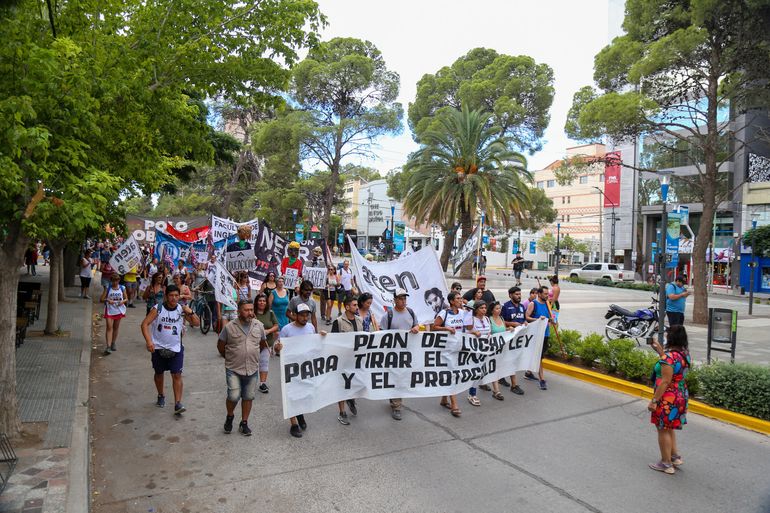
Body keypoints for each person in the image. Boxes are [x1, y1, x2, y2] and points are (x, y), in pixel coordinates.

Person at [140, 284, 199, 415]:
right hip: (158, 348)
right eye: (171, 295)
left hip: (176, 348)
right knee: (159, 373)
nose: (174, 298)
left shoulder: (181, 309)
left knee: (176, 375)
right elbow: (144, 324)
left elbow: (196, 323)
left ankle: (178, 403)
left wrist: (190, 311)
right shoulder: (158, 309)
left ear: (179, 296)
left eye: (176, 296)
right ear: (166, 296)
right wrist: (149, 341)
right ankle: (161, 395)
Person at [217, 299, 267, 436]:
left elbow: (262, 344)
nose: (250, 312)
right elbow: (220, 346)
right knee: (233, 396)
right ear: (238, 311)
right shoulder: (229, 327)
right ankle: (230, 415)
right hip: (233, 368)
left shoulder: (259, 326)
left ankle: (244, 423)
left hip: (252, 368)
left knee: (248, 396)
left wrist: (252, 355)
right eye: (246, 310)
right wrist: (232, 357)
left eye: (251, 309)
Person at [279, 303, 327, 438]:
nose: (305, 317)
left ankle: (300, 414)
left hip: (306, 368)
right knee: (291, 395)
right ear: (295, 315)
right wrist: (278, 348)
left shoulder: (311, 327)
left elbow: (315, 344)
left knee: (304, 393)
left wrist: (322, 337)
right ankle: (294, 424)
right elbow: (276, 348)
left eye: (307, 315)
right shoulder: (287, 330)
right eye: (302, 315)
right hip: (291, 368)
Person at [647, 325, 690, 474]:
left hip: (668, 397)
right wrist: (661, 352)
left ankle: (666, 464)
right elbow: (673, 366)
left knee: (662, 428)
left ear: (671, 338)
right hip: (681, 395)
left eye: (667, 335)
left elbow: (665, 381)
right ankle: (674, 456)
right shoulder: (684, 354)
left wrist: (654, 400)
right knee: (669, 427)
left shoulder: (668, 357)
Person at [379, 288, 420, 421]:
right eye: (400, 298)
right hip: (392, 353)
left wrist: (416, 328)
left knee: (401, 377)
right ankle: (397, 406)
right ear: (395, 300)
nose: (403, 301)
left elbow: (417, 325)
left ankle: (394, 398)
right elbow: (381, 333)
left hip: (407, 353)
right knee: (396, 377)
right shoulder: (388, 315)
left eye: (405, 298)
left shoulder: (411, 312)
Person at [431, 291, 469, 417]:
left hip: (458, 349)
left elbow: (469, 327)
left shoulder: (463, 313)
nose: (460, 300)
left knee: (451, 374)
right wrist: (445, 328)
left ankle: (444, 399)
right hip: (446, 350)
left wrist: (469, 313)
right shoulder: (444, 313)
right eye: (458, 298)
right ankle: (454, 404)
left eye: (461, 298)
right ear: (452, 301)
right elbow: (434, 327)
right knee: (452, 374)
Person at [331, 296, 362, 425]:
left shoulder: (359, 320)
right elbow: (332, 341)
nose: (357, 307)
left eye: (357, 305)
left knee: (354, 383)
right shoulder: (338, 322)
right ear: (347, 307)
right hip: (343, 360)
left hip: (356, 360)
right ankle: (342, 412)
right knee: (342, 386)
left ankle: (351, 399)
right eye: (354, 305)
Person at [468, 301, 504, 403]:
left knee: (487, 370)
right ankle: (472, 394)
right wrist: (474, 332)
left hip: (486, 350)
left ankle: (495, 390)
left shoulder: (487, 319)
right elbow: (466, 332)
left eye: (485, 308)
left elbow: (490, 332)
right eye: (481, 308)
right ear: (476, 309)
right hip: (475, 351)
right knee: (475, 372)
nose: (484, 310)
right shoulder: (472, 320)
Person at [525, 286, 555, 390]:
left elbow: (550, 319)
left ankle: (528, 372)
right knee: (539, 357)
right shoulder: (533, 304)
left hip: (545, 334)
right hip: (536, 335)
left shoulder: (547, 304)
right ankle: (542, 379)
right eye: (545, 294)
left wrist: (551, 320)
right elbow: (527, 317)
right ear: (539, 294)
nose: (548, 296)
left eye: (548, 294)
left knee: (540, 356)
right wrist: (537, 319)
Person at [500, 287, 526, 395]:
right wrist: (512, 324)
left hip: (518, 339)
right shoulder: (505, 307)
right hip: (508, 338)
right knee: (511, 360)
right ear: (510, 295)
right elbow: (500, 322)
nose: (519, 296)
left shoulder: (521, 307)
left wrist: (525, 322)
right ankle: (514, 385)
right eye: (516, 294)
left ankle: (500, 377)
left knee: (510, 360)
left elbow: (524, 319)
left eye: (520, 294)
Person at [253, 293, 279, 392]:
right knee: (252, 364)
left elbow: (276, 326)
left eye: (264, 301)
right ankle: (249, 382)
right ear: (256, 302)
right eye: (260, 301)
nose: (262, 302)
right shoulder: (252, 313)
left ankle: (263, 383)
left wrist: (268, 331)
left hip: (267, 342)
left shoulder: (270, 313)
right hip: (253, 344)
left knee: (264, 363)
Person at [100, 274, 127, 355]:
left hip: (118, 310)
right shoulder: (108, 288)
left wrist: (123, 301)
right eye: (113, 280)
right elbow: (101, 299)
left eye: (117, 280)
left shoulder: (122, 288)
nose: (115, 282)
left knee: (116, 327)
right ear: (111, 281)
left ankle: (113, 343)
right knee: (109, 327)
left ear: (119, 280)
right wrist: (108, 300)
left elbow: (126, 298)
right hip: (109, 310)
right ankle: (108, 346)